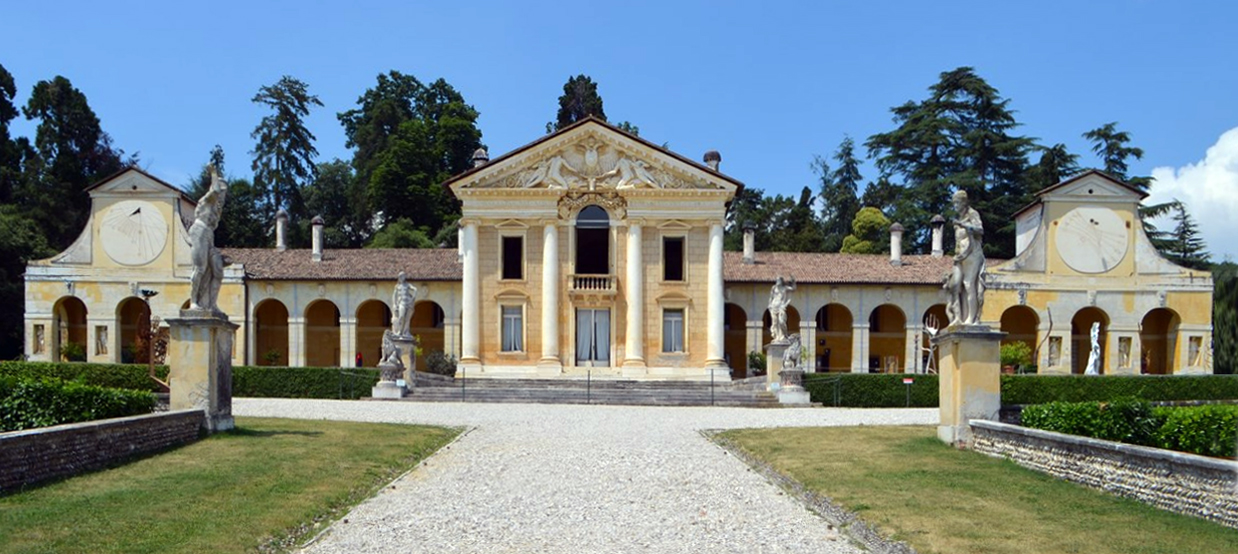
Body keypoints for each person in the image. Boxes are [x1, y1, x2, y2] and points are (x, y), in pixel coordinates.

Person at [188, 166, 227, 313]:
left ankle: (211, 304)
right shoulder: (207, 200)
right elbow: (215, 191)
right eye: (222, 189)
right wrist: (213, 173)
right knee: (200, 268)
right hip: (199, 231)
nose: (222, 193)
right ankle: (193, 302)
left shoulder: (217, 209)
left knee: (217, 271)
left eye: (225, 191)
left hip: (209, 235)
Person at [947, 190, 985, 326]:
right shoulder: (959, 217)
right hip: (959, 255)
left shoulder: (972, 214)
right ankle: (957, 318)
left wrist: (964, 225)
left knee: (969, 285)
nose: (955, 206)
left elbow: (980, 230)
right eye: (954, 203)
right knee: (954, 285)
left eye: (957, 203)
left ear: (964, 202)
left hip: (972, 253)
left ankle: (971, 318)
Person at [768, 275, 797, 343]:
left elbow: (793, 289)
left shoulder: (784, 288)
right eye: (777, 280)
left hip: (781, 306)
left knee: (781, 321)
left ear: (781, 281)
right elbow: (771, 297)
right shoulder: (774, 288)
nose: (777, 281)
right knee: (775, 323)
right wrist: (769, 305)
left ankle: (783, 336)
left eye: (779, 280)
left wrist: (793, 281)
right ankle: (777, 337)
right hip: (773, 306)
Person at [392, 271, 417, 337]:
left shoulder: (407, 285)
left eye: (403, 276)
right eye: (400, 276)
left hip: (408, 303)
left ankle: (406, 332)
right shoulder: (397, 286)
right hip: (401, 303)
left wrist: (413, 298)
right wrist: (395, 304)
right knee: (401, 316)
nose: (402, 277)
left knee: (407, 319)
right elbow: (394, 295)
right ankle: (400, 331)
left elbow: (415, 289)